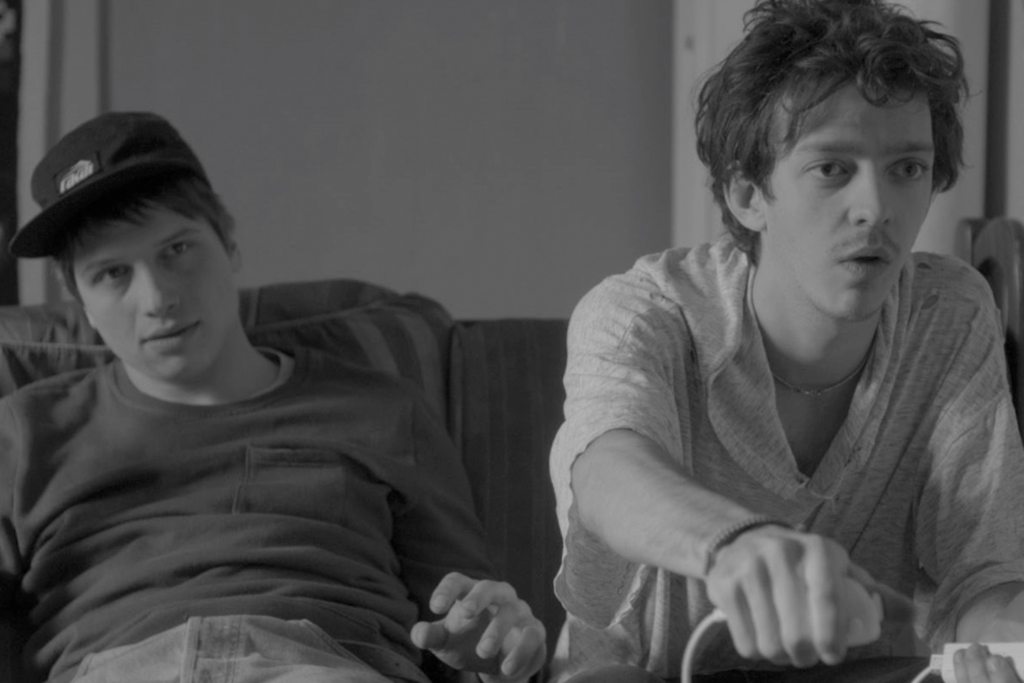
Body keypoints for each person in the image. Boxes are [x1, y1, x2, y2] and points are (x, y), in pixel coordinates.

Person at [548, 0, 1024, 681]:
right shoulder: (645, 312)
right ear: (747, 195)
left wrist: (1008, 649)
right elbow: (604, 469)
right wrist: (735, 545)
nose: (877, 209)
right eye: (832, 168)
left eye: (907, 168)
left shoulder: (950, 312)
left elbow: (984, 576)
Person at [0, 111, 546, 683]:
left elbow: (476, 631)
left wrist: (496, 651)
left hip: (322, 664)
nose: (158, 299)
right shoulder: (26, 432)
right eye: (112, 274)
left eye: (177, 249)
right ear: (80, 301)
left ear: (229, 244)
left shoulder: (384, 410)